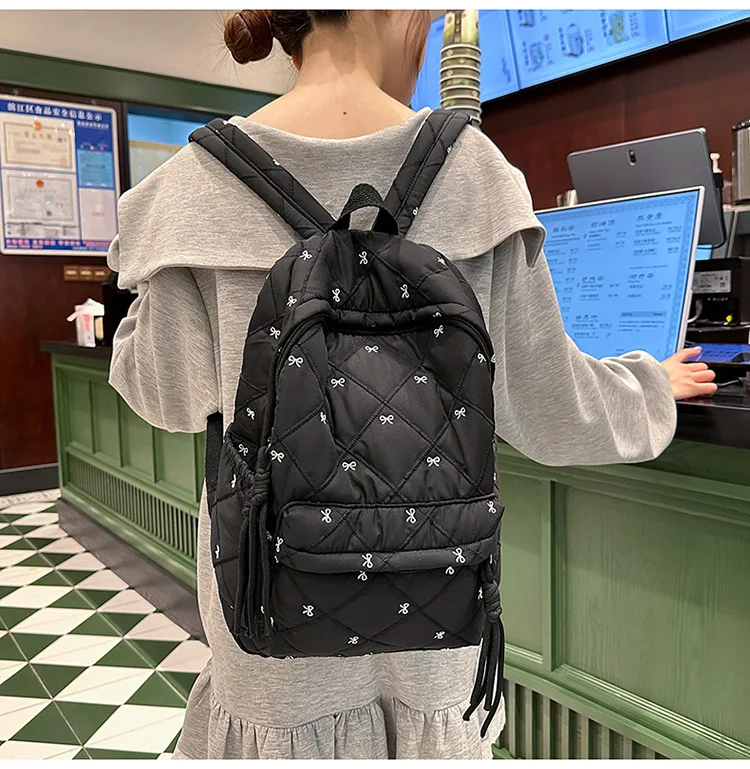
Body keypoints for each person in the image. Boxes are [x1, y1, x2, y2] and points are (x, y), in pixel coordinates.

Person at [107, 10, 716, 760]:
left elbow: (162, 393)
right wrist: (652, 384)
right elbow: (554, 408)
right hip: (435, 638)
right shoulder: (475, 172)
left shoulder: (194, 187)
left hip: (273, 657)